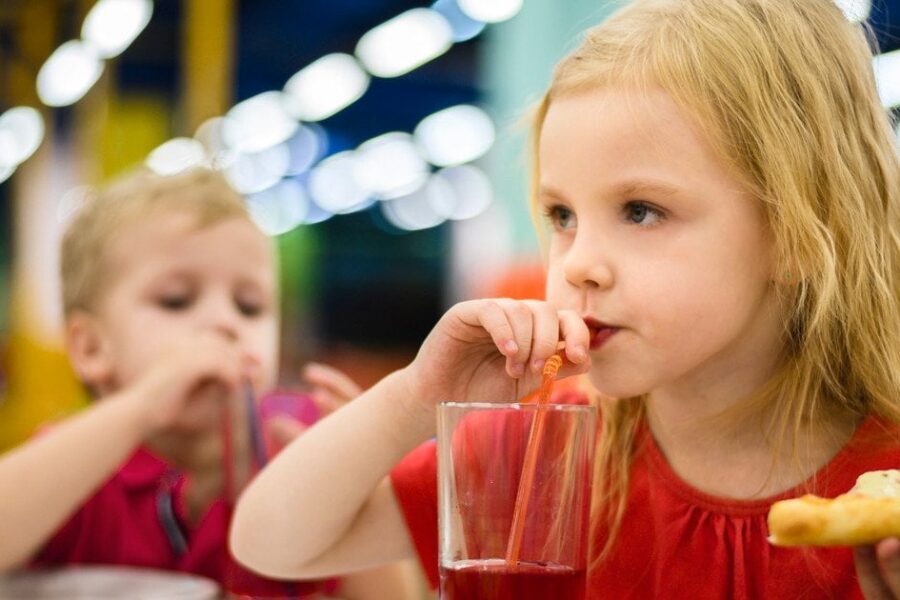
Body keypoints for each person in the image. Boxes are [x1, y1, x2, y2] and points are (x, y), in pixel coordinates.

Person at [231, 0, 900, 597]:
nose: (577, 264)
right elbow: (274, 544)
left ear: (799, 234)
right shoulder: (541, 455)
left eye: (640, 211)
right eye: (561, 216)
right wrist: (415, 398)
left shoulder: (884, 487)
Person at [0, 167, 417, 599]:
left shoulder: (298, 449)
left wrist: (361, 479)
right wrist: (145, 402)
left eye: (249, 306)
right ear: (90, 348)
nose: (224, 322)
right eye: (176, 300)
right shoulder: (71, 467)